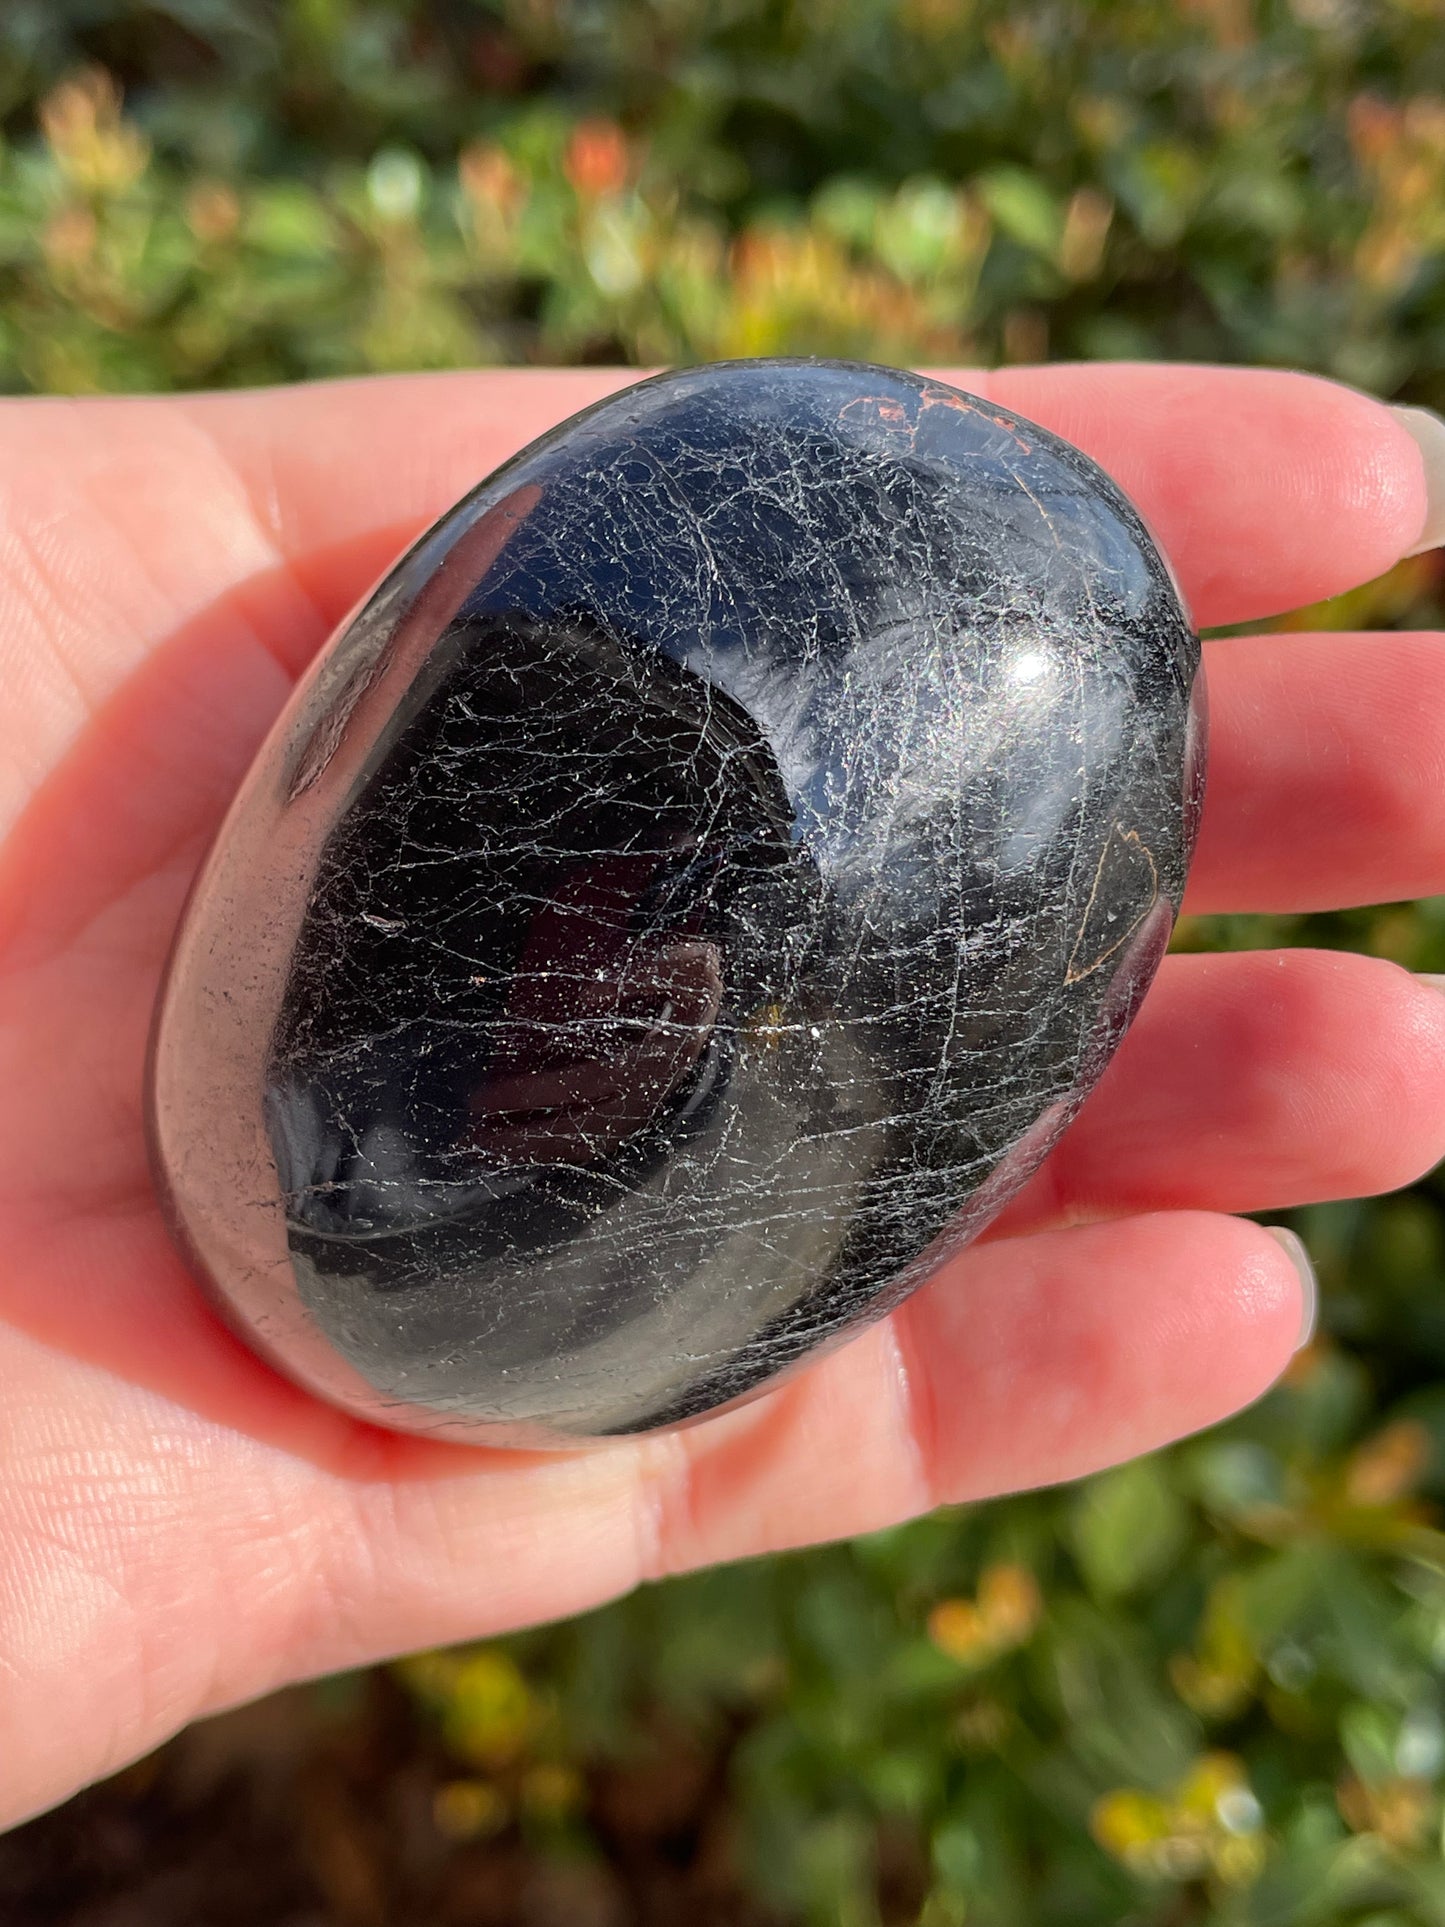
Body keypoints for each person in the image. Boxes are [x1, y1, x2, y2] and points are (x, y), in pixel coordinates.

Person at [2, 360, 1444, 1829]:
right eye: (588, 900)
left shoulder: (748, 1118)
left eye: (649, 920)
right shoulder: (463, 946)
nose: (594, 965)